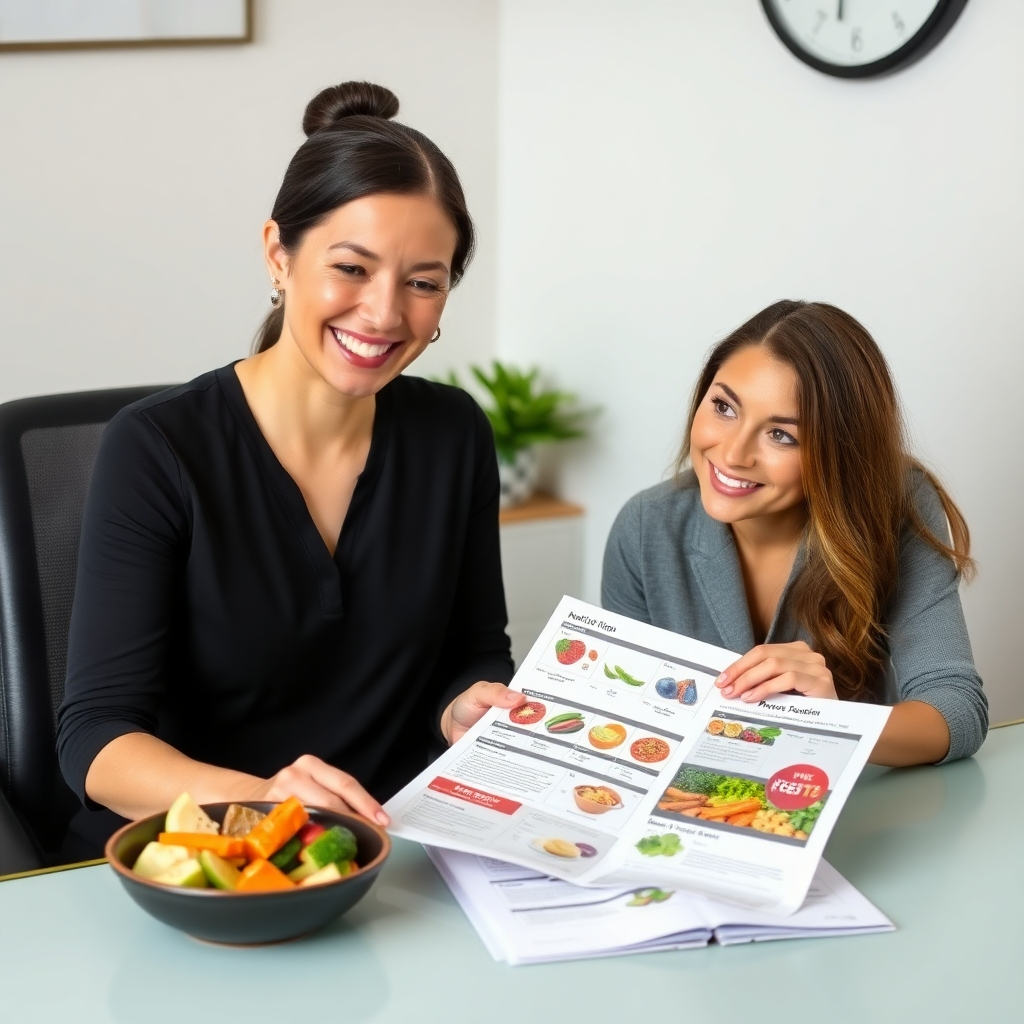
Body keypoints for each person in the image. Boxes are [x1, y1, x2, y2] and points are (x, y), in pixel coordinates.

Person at [56, 81, 525, 855]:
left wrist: (458, 709)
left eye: (423, 282)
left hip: (387, 848)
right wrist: (265, 800)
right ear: (279, 255)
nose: (384, 313)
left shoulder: (454, 433)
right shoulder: (158, 447)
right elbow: (97, 742)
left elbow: (472, 652)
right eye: (352, 268)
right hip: (201, 856)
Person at [602, 300, 986, 766]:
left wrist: (830, 720)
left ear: (839, 454)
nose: (733, 454)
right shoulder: (646, 526)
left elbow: (958, 711)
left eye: (781, 435)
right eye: (724, 407)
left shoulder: (896, 505)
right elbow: (629, 711)